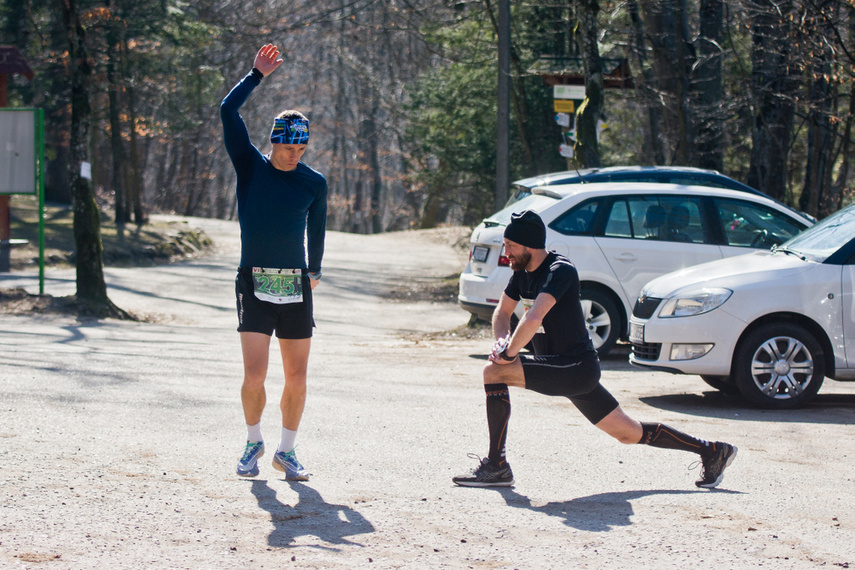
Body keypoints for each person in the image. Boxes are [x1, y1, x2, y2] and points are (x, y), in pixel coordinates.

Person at [452, 210, 737, 489]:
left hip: (575, 367)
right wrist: (501, 343)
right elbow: (502, 314)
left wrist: (509, 355)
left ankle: (497, 466)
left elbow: (533, 317)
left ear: (530, 245)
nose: (507, 251)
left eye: (511, 245)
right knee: (628, 432)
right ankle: (713, 451)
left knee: (494, 372)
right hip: (560, 367)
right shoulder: (521, 274)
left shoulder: (559, 270)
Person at [220, 44, 327, 480]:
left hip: (295, 283)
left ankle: (287, 450)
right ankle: (252, 442)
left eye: (300, 150)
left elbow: (316, 231)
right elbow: (228, 110)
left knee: (297, 376)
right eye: (288, 149)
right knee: (255, 375)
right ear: (275, 142)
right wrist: (255, 75)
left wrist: (314, 272)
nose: (293, 156)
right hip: (253, 280)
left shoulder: (313, 182)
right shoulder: (250, 166)